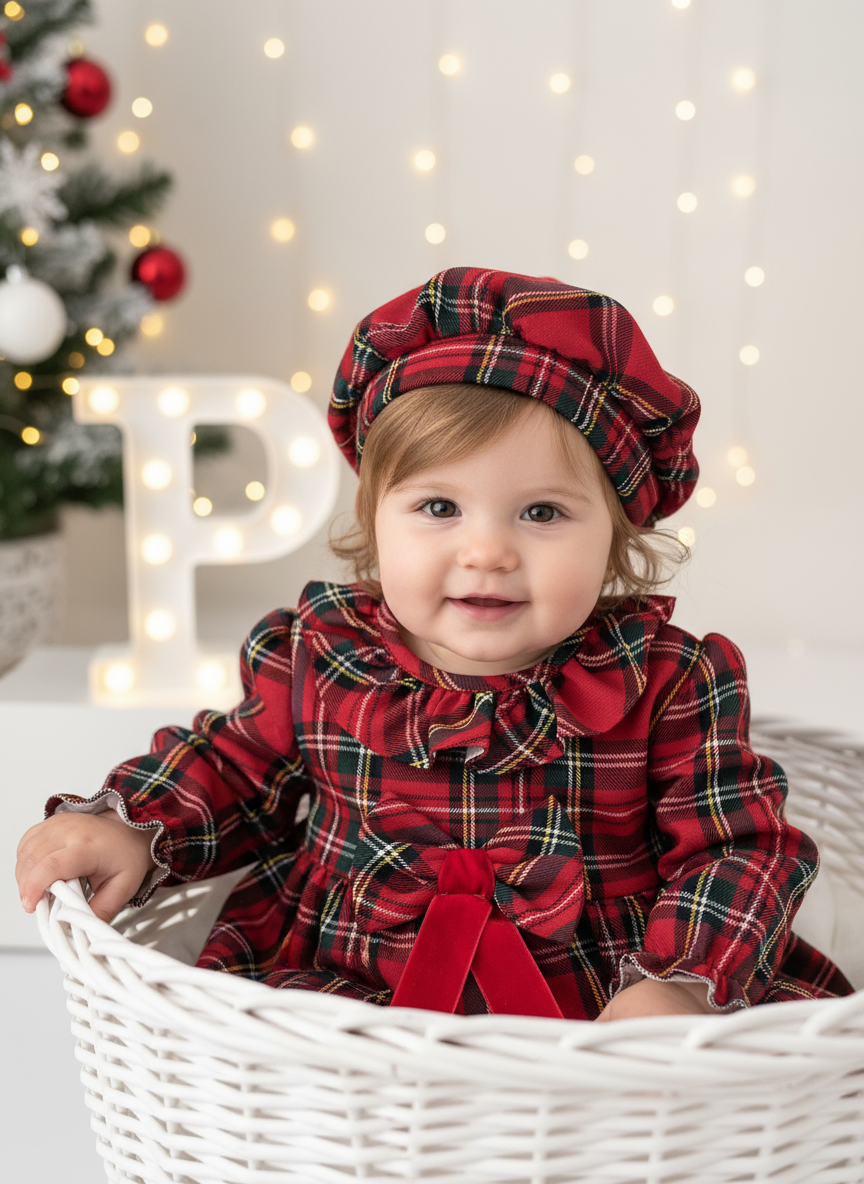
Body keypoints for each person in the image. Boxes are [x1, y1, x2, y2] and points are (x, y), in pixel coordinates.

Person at [15, 267, 852, 1021]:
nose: (486, 551)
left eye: (543, 513)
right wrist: (137, 825)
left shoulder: (666, 681)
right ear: (374, 525)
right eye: (440, 508)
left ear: (617, 540)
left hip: (603, 1003)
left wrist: (677, 982)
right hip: (347, 988)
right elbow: (233, 768)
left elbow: (742, 846)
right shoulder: (323, 654)